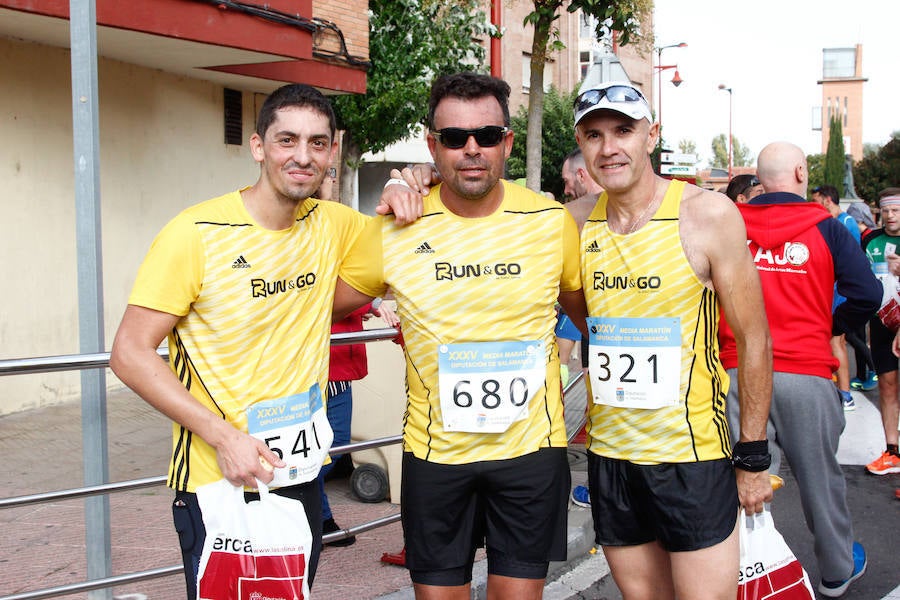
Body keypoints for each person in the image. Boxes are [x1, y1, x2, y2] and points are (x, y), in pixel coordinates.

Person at [109, 83, 420, 598]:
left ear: (333, 151)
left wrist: (399, 193)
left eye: (317, 143)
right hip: (221, 476)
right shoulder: (196, 232)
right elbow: (129, 353)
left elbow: (398, 247)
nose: (303, 156)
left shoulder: (335, 224)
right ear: (258, 147)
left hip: (299, 472)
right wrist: (223, 436)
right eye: (287, 141)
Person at [334, 72, 588, 600]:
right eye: (453, 139)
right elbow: (314, 304)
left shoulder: (548, 220)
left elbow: (590, 318)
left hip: (530, 454)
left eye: (487, 136)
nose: (472, 150)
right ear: (432, 145)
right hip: (437, 457)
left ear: (508, 143)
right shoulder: (395, 224)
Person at [573, 81, 773, 600]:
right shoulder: (571, 224)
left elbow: (754, 339)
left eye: (623, 130)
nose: (609, 147)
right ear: (581, 143)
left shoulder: (707, 215)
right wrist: (407, 184)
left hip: (691, 455)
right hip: (611, 457)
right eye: (593, 135)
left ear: (651, 135)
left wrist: (752, 459)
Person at [719, 141, 878, 597]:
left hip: (736, 372)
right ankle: (835, 570)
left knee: (740, 480)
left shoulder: (732, 226)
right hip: (807, 370)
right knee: (819, 479)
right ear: (801, 172)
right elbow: (866, 292)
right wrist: (831, 324)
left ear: (759, 179)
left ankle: (739, 572)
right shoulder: (826, 228)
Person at [811, 184, 863, 410]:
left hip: (840, 293)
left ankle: (845, 395)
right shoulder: (837, 223)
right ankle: (840, 390)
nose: (814, 204)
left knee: (836, 341)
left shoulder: (845, 223)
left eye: (816, 200)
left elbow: (851, 262)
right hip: (834, 291)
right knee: (834, 342)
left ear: (826, 200)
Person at [862, 192, 900, 475]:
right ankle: (891, 451)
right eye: (886, 211)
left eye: (896, 211)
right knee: (887, 385)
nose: (890, 216)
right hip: (881, 321)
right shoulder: (870, 240)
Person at [846, 201, 880, 391]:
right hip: (859, 293)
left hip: (865, 294)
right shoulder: (865, 236)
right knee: (854, 334)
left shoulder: (869, 238)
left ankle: (872, 370)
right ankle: (861, 374)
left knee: (854, 335)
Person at [561, 147, 605, 229]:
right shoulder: (620, 207)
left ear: (581, 175)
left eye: (566, 181)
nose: (566, 191)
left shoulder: (569, 214)